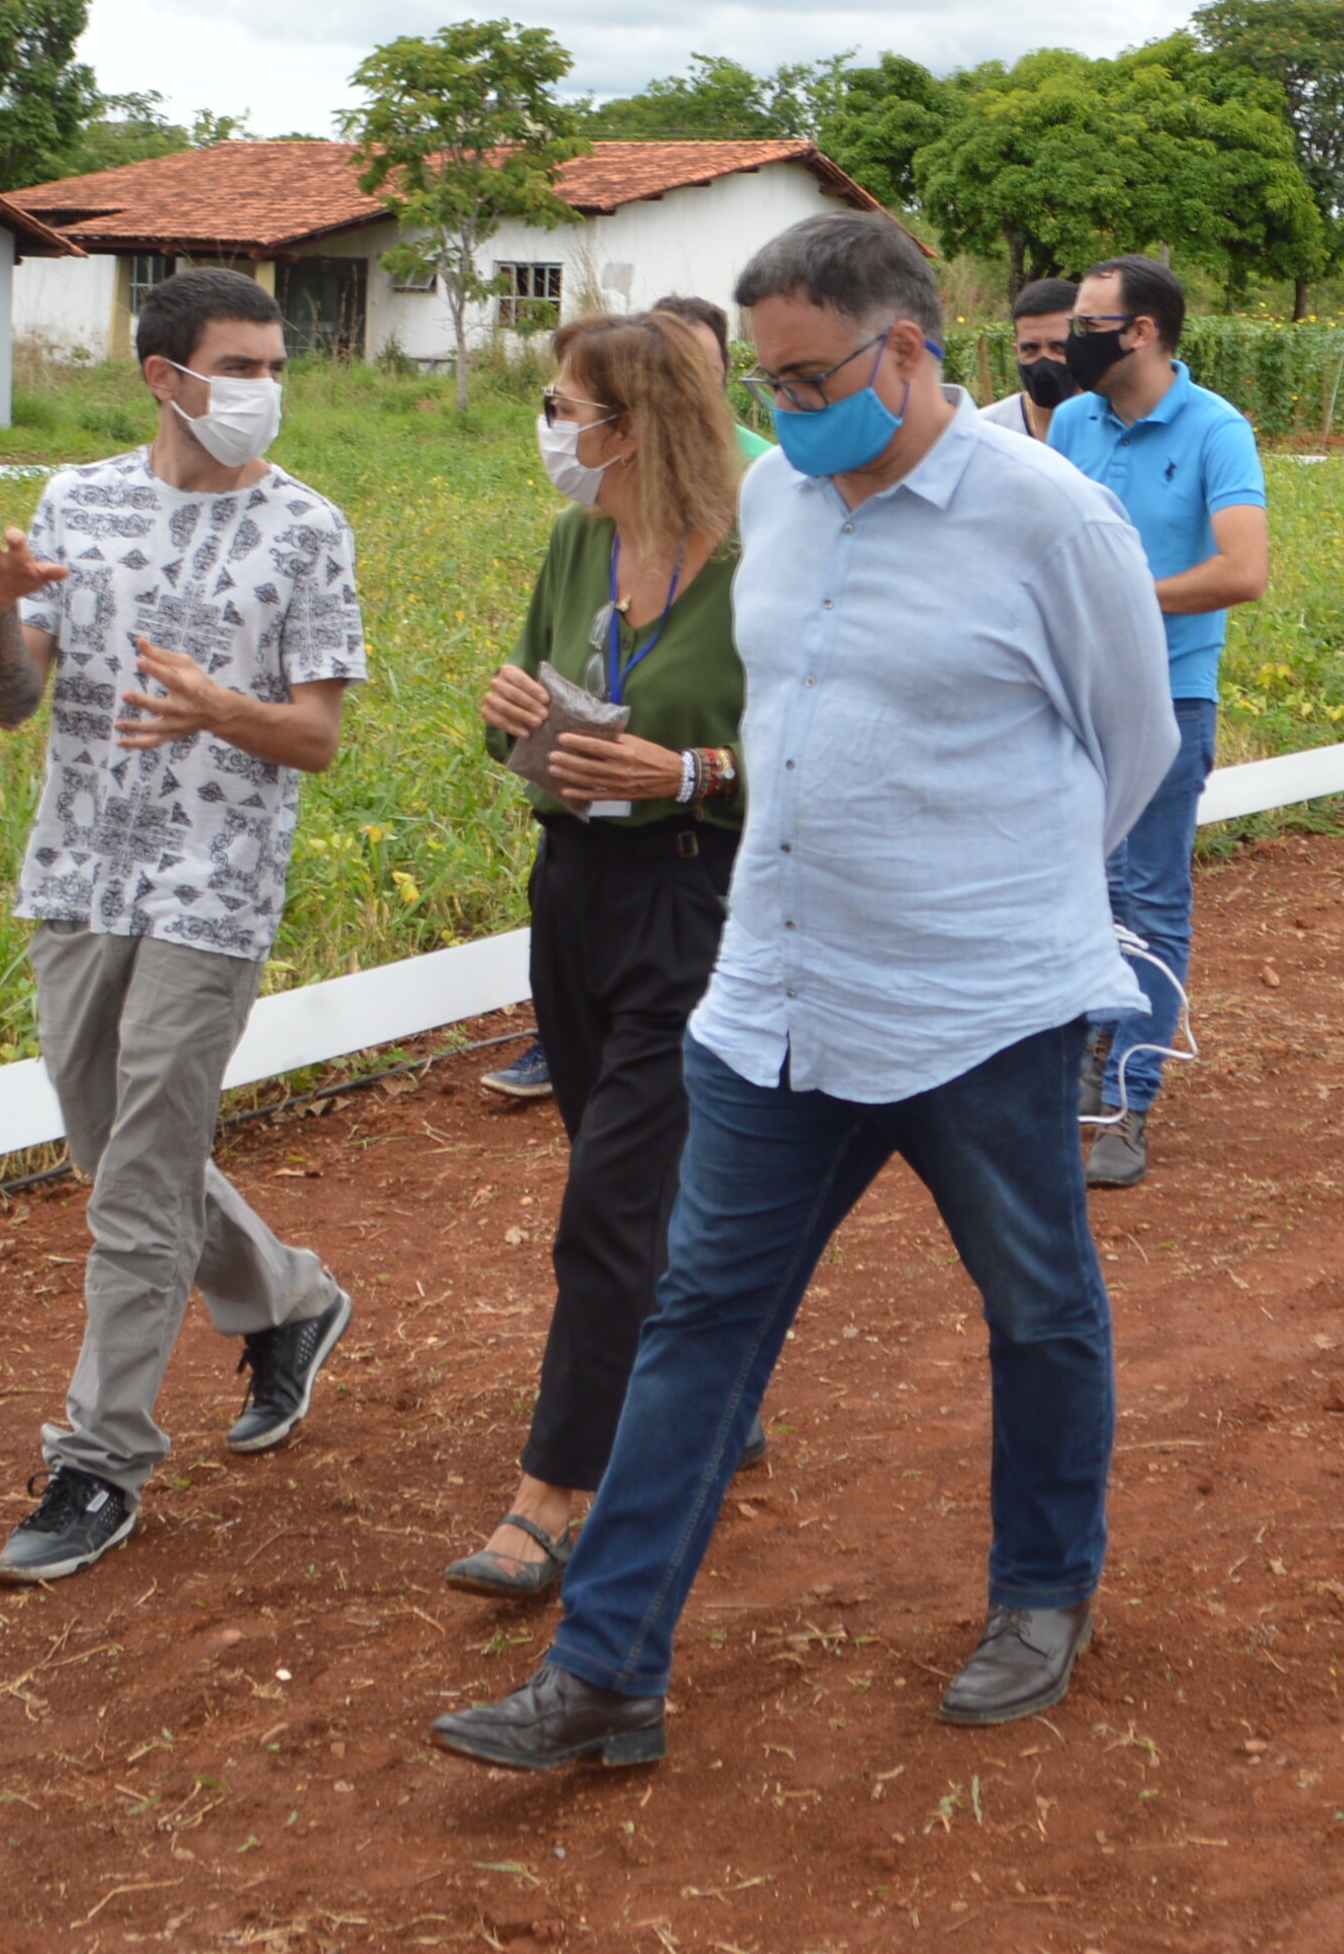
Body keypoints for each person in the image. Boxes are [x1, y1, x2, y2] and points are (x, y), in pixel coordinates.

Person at [426, 212, 1176, 1773]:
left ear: (906, 349)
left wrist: (988, 897)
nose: (777, 408)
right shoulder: (782, 495)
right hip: (772, 999)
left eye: (805, 374)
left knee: (1038, 1309)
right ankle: (606, 1670)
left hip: (977, 1009)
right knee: (698, 1318)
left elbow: (1134, 752)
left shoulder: (1052, 522)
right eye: (763, 378)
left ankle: (1044, 1589)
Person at [0, 266, 364, 1584]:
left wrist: (218, 714)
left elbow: (315, 736)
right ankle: (286, 1298)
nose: (264, 390)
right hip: (75, 876)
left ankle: (99, 1460)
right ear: (163, 376)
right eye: (239, 367)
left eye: (275, 365)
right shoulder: (77, 502)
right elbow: (14, 703)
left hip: (214, 889)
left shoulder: (310, 530)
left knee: (141, 1175)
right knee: (106, 1139)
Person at [451, 313, 751, 1603]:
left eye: (566, 404)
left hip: (697, 899)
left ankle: (554, 1497)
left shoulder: (762, 564)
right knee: (628, 1184)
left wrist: (687, 769)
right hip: (572, 886)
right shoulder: (581, 540)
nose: (552, 427)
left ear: (632, 424)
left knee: (607, 1210)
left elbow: (830, 743)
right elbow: (542, 696)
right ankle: (712, 1397)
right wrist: (511, 711)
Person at [1040, 254, 1271, 1191]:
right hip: (1068, 695)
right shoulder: (1070, 422)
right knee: (1075, 890)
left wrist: (1123, 596)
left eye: (1087, 325)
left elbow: (1242, 572)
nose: (1066, 343)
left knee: (1150, 900)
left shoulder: (1217, 429)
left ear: (1141, 332)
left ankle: (1130, 1098)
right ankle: (1082, 1064)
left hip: (1169, 696)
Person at [652, 295, 775, 466]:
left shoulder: (761, 464)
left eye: (704, 372)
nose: (687, 387)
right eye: (672, 372)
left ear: (726, 367)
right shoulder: (616, 457)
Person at [975, 277, 1082, 444]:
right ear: (1016, 351)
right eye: (1031, 348)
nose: (1045, 361)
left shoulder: (1121, 428)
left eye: (1059, 347)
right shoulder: (985, 432)